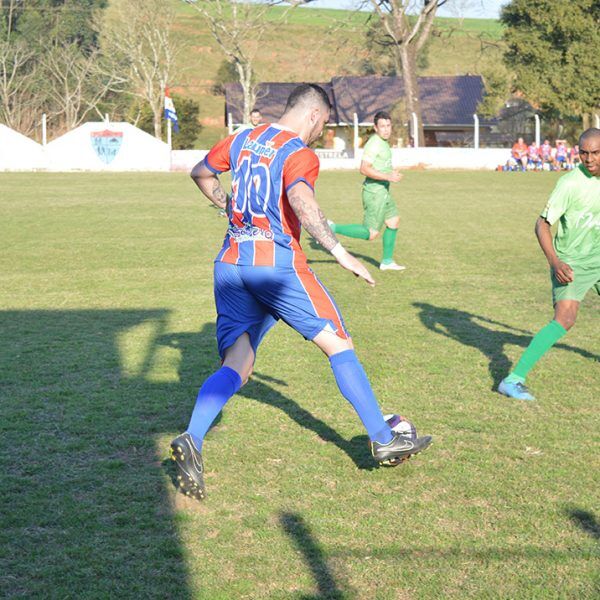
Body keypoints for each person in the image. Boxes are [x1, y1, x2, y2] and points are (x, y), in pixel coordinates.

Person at [170, 84, 432, 500]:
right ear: (313, 114)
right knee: (338, 343)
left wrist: (227, 205)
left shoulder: (242, 138)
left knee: (238, 362)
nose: (320, 131)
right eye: (324, 123)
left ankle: (193, 438)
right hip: (275, 266)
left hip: (230, 262)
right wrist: (341, 253)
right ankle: (383, 437)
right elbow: (303, 204)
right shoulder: (298, 153)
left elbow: (201, 172)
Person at [498, 128, 600, 401]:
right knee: (565, 319)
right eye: (584, 153)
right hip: (571, 263)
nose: (589, 159)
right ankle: (513, 379)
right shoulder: (570, 183)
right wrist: (555, 262)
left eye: (595, 153)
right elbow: (541, 225)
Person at [328, 111, 405, 271]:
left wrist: (390, 174)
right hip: (375, 193)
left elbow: (379, 166)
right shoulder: (375, 143)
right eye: (382, 126)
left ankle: (387, 262)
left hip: (383, 191)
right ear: (376, 128)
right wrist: (388, 176)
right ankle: (332, 228)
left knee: (394, 221)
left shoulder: (383, 143)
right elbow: (364, 169)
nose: (386, 129)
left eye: (388, 126)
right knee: (371, 234)